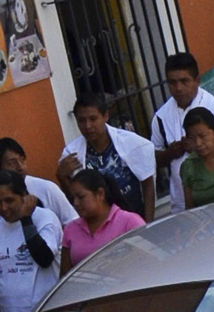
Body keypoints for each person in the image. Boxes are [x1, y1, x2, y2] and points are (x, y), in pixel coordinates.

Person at [149, 51, 214, 212]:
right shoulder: (161, 117)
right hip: (183, 207)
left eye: (184, 81)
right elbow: (152, 160)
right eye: (172, 82)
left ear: (197, 80)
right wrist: (170, 153)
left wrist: (202, 146)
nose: (178, 88)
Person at [0, 172, 63, 312]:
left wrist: (26, 219)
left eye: (9, 200)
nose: (3, 208)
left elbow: (44, 258)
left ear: (25, 197)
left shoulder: (45, 219)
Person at [59, 89, 155, 221]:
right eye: (81, 120)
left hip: (134, 219)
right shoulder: (71, 153)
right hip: (99, 226)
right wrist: (62, 177)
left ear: (105, 116)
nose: (87, 126)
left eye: (93, 119)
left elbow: (148, 184)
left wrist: (147, 224)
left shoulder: (131, 142)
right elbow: (76, 200)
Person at [59, 170, 146, 273]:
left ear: (100, 194)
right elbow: (65, 277)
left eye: (81, 197)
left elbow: (149, 262)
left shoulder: (130, 222)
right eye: (73, 198)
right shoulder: (71, 229)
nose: (76, 203)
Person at [0, 138, 72, 232]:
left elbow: (72, 222)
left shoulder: (47, 188)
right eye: (12, 163)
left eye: (22, 160)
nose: (20, 167)